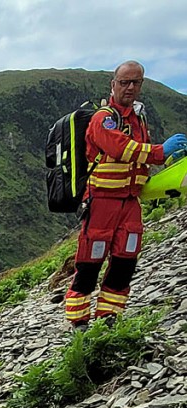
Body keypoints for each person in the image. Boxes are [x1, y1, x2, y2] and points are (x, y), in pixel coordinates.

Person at [65, 61, 187, 327]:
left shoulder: (138, 119)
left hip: (131, 201)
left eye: (136, 82)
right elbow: (123, 149)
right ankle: (78, 323)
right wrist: (159, 152)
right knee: (90, 262)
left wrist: (166, 162)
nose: (130, 87)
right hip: (102, 202)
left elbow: (138, 158)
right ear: (113, 84)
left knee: (125, 261)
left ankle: (109, 317)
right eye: (124, 82)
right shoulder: (104, 119)